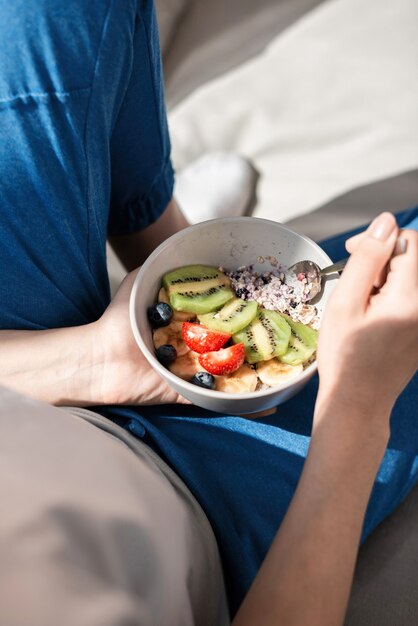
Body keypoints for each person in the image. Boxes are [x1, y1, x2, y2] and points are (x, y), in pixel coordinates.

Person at [0, 1, 417, 625]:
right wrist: (357, 408)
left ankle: (168, 245)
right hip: (183, 494)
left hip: (35, 367)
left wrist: (89, 361)